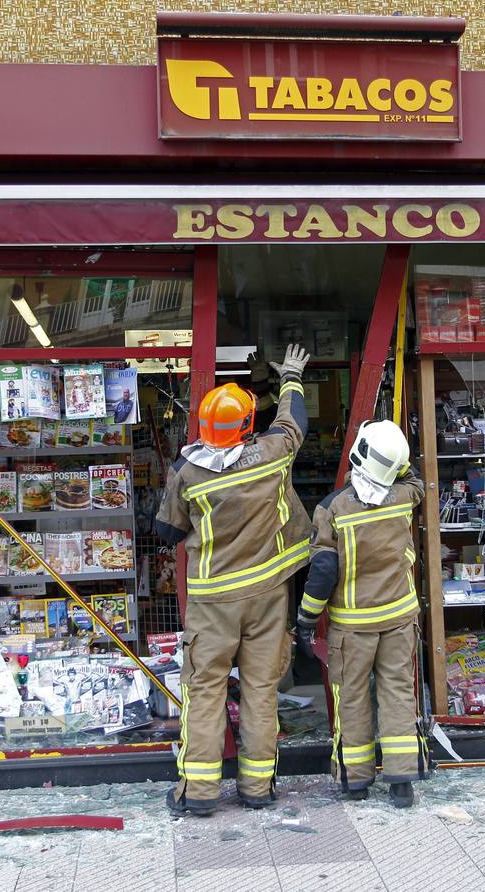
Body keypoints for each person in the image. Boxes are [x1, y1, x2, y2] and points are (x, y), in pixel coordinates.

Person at [155, 343, 311, 817]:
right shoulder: (271, 454)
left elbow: (167, 531)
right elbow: (293, 424)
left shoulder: (186, 471)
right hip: (266, 596)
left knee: (205, 691)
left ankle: (199, 793)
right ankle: (257, 789)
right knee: (262, 691)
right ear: (246, 426)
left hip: (211, 600)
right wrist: (289, 378)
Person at [295, 420, 428, 809]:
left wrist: (305, 619)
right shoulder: (405, 496)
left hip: (353, 626)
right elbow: (412, 476)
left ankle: (356, 780)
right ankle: (402, 781)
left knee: (351, 698)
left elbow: (322, 573)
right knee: (397, 693)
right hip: (400, 617)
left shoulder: (332, 508)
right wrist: (397, 463)